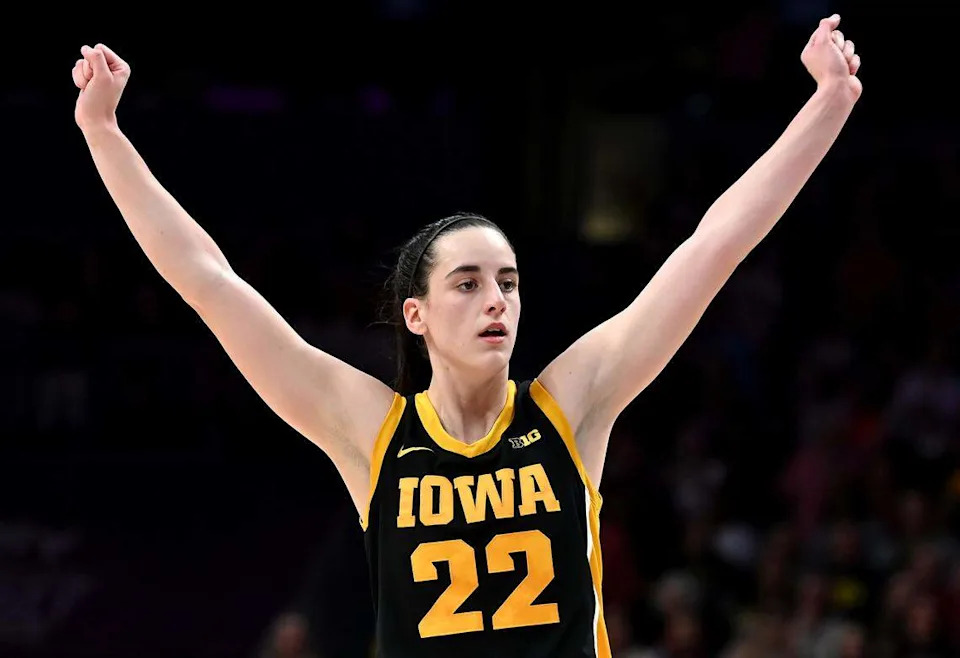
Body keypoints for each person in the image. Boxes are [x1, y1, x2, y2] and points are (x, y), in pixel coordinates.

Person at [71, 14, 862, 658]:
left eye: (510, 283)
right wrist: (104, 131)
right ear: (414, 315)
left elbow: (712, 247)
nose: (497, 302)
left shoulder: (571, 404)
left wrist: (826, 103)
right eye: (469, 282)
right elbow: (210, 283)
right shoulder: (370, 432)